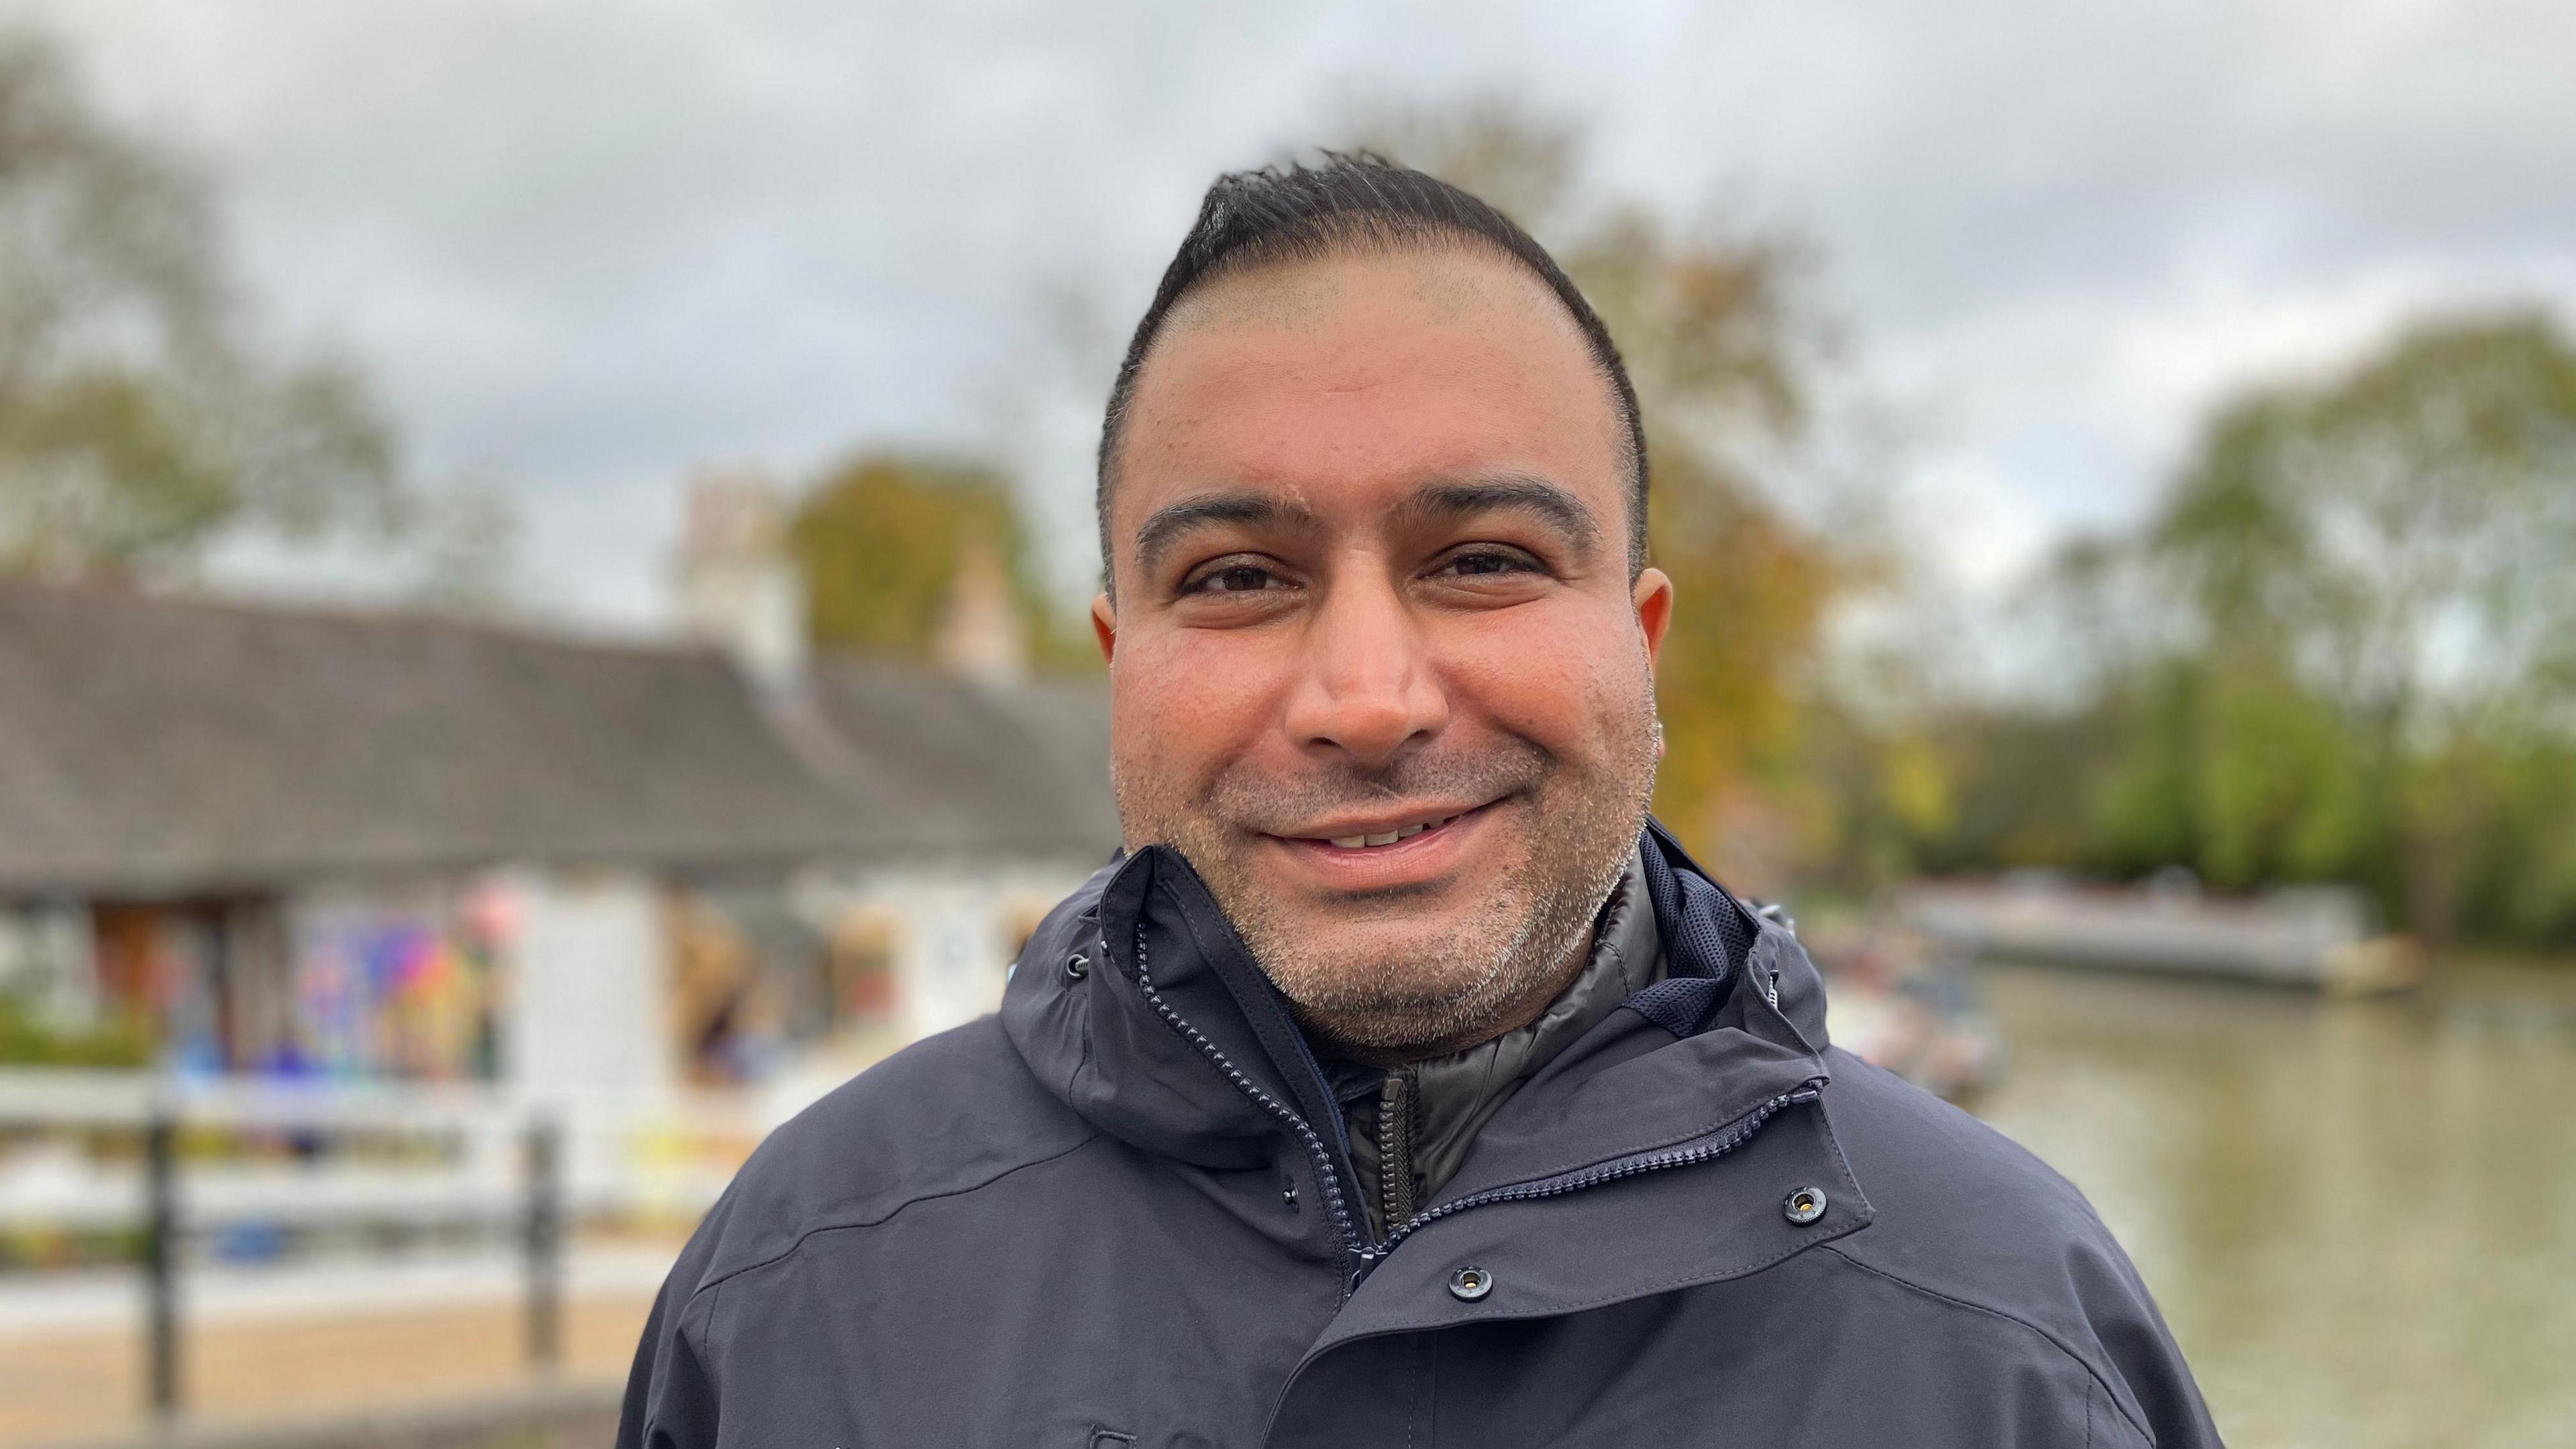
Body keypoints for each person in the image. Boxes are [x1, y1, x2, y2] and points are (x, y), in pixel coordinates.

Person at [619, 154, 2223, 1448]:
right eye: (1240, 577)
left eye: (1482, 562)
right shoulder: (790, 1296)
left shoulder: (2014, 1341)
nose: (1367, 699)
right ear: (1120, 665)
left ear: (1641, 647)